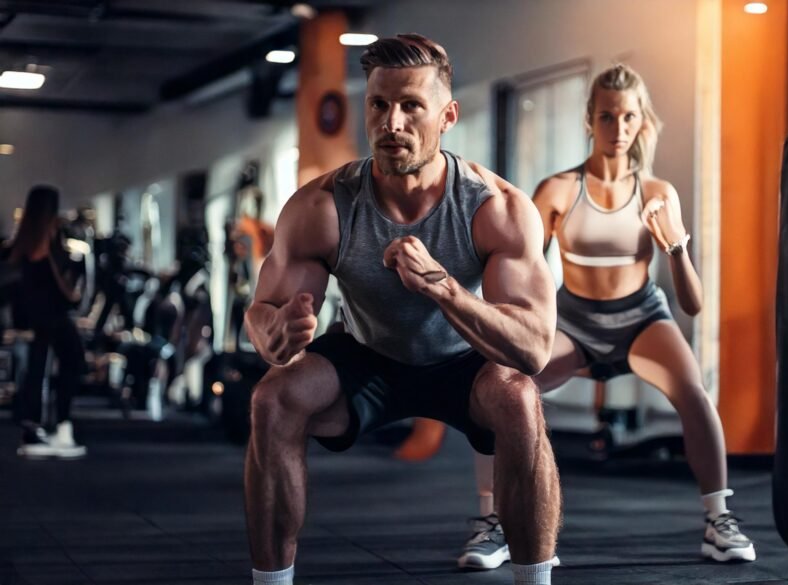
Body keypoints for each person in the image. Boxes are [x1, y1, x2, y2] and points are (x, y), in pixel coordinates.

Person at [243, 34, 562, 585]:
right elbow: (262, 311)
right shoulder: (322, 206)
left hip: (464, 359)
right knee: (274, 396)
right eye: (379, 104)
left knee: (520, 396)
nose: (392, 122)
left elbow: (533, 348)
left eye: (411, 105)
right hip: (367, 355)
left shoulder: (496, 208)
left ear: (447, 116)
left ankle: (535, 579)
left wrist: (444, 289)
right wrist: (273, 334)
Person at [457, 64, 755, 571]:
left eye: (628, 117)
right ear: (590, 120)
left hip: (641, 317)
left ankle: (719, 520)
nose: (618, 129)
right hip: (574, 319)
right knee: (501, 386)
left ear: (643, 122)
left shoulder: (658, 192)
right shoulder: (559, 190)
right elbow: (524, 270)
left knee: (694, 392)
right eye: (607, 116)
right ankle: (492, 524)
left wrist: (676, 248)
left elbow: (693, 303)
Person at [4, 185, 87, 459]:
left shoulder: (20, 248)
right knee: (68, 362)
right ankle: (59, 427)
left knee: (38, 370)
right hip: (52, 318)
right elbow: (60, 289)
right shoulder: (46, 246)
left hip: (37, 322)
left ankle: (39, 428)